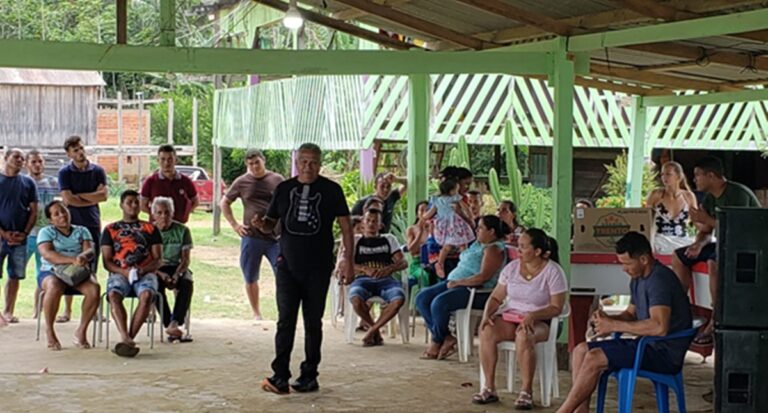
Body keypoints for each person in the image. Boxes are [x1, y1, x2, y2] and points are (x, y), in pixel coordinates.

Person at [252, 143, 353, 395]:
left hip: (318, 267)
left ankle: (309, 375)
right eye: (304, 161)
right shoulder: (284, 189)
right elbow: (270, 225)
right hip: (287, 266)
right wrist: (260, 224)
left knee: (312, 322)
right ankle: (280, 377)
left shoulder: (332, 190)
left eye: (314, 162)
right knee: (285, 320)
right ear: (297, 162)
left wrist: (348, 259)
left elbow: (346, 227)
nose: (309, 166)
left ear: (320, 164)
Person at [557, 232, 692, 413]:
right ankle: (581, 411)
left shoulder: (659, 280)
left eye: (627, 263)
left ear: (643, 259)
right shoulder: (637, 280)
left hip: (664, 353)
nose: (624, 268)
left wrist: (614, 326)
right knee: (581, 350)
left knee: (594, 357)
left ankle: (564, 411)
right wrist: (607, 319)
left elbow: (659, 327)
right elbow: (631, 313)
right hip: (645, 345)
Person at [671, 156, 760, 345]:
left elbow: (739, 229)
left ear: (711, 176)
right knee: (679, 256)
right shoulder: (711, 198)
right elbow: (706, 231)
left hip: (747, 247)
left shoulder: (738, 193)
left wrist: (706, 219)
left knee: (714, 262)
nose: (694, 180)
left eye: (697, 175)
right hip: (724, 243)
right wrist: (698, 244)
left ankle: (715, 320)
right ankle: (681, 311)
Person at [474, 228, 567, 409]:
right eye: (519, 246)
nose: (518, 250)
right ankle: (489, 387)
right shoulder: (511, 268)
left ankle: (526, 391)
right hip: (512, 317)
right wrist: (487, 314)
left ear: (537, 251)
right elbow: (495, 297)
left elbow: (557, 307)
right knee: (486, 330)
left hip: (541, 321)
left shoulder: (553, 271)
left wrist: (533, 315)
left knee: (524, 335)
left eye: (523, 247)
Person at [415, 215, 509, 361]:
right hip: (456, 283)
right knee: (422, 298)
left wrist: (459, 282)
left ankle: (436, 341)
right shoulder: (478, 244)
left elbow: (484, 277)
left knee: (439, 304)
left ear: (491, 231)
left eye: (481, 228)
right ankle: (445, 336)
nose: (477, 230)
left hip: (476, 291)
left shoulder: (494, 249)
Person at [221, 148, 284, 320]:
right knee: (250, 275)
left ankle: (283, 312)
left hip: (275, 238)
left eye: (257, 162)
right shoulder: (242, 182)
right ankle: (256, 313)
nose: (254, 166)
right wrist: (235, 226)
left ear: (263, 160)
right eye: (250, 164)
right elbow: (224, 203)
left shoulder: (277, 180)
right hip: (251, 236)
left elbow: (287, 203)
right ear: (246, 165)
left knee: (283, 275)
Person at [101, 190, 163, 358]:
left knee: (147, 295)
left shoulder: (150, 228)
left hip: (145, 272)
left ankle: (128, 340)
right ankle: (125, 337)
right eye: (130, 202)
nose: (134, 205)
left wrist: (142, 270)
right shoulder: (110, 229)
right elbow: (106, 261)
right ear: (121, 205)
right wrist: (124, 272)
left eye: (137, 202)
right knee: (113, 294)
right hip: (120, 272)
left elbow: (158, 259)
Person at [36, 200, 100, 350]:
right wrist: (72, 259)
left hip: (77, 272)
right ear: (50, 219)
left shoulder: (82, 230)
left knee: (94, 289)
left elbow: (90, 250)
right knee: (53, 286)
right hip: (51, 271)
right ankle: (50, 331)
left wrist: (84, 256)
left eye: (64, 211)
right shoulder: (46, 232)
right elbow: (48, 254)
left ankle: (81, 331)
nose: (62, 215)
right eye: (56, 214)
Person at [347, 208, 408, 346]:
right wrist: (364, 268)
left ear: (381, 225)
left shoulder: (389, 239)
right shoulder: (356, 240)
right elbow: (347, 263)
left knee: (398, 299)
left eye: (375, 221)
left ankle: (372, 330)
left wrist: (389, 268)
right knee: (356, 299)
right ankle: (377, 332)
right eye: (368, 220)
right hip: (362, 280)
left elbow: (403, 262)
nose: (371, 224)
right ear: (362, 222)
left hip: (386, 280)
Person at [58, 136, 108, 286]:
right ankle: (67, 308)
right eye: (75, 150)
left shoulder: (98, 171)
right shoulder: (64, 173)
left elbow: (104, 196)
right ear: (69, 154)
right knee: (71, 265)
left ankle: (92, 303)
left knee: (92, 261)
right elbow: (67, 199)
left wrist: (78, 196)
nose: (80, 152)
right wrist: (92, 197)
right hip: (71, 223)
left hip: (92, 221)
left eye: (81, 148)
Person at [25, 150, 66, 321]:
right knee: (14, 273)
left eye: (40, 161)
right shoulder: (24, 183)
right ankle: (8, 310)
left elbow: (63, 202)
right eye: (34, 161)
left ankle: (38, 312)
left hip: (47, 235)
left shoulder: (52, 182)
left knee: (42, 274)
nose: (37, 165)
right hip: (28, 234)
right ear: (27, 163)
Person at [0, 148, 38, 324]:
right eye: (16, 157)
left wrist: (24, 233)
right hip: (1, 236)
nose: (20, 160)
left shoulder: (28, 183)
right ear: (6, 158)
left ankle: (8, 311)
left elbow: (33, 211)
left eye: (22, 158)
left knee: (15, 275)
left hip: (20, 238)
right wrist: (3, 233)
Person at [151, 197, 194, 341]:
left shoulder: (183, 230)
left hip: (177, 266)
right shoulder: (148, 231)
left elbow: (186, 259)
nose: (164, 216)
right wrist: (160, 273)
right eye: (160, 213)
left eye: (167, 213)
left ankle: (175, 322)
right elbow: (146, 260)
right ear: (153, 215)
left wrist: (177, 274)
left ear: (173, 213)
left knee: (186, 282)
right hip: (155, 268)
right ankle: (168, 323)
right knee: (154, 284)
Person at [422, 178, 476, 278]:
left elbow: (428, 214)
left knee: (447, 247)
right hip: (454, 225)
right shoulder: (455, 198)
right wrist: (466, 214)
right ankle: (465, 264)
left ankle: (440, 263)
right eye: (456, 189)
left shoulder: (437, 200)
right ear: (451, 191)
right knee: (463, 246)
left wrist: (425, 217)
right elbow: (465, 208)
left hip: (443, 227)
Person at [646, 161, 698, 253]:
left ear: (679, 176)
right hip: (659, 241)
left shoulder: (688, 196)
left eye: (668, 174)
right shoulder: (656, 195)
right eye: (662, 174)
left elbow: (697, 221)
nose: (664, 177)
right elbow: (646, 220)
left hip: (682, 241)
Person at [140, 144, 199, 223]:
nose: (166, 163)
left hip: (179, 227)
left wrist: (185, 214)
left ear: (176, 160)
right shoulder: (150, 181)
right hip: (157, 228)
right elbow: (142, 205)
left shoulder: (185, 181)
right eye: (163, 159)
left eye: (170, 159)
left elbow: (195, 202)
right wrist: (156, 215)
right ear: (158, 160)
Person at [405, 201, 432, 289]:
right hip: (418, 264)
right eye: (421, 210)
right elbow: (411, 250)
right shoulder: (412, 229)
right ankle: (423, 299)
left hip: (433, 262)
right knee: (423, 275)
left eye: (427, 210)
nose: (425, 213)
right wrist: (420, 232)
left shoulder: (435, 227)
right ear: (417, 214)